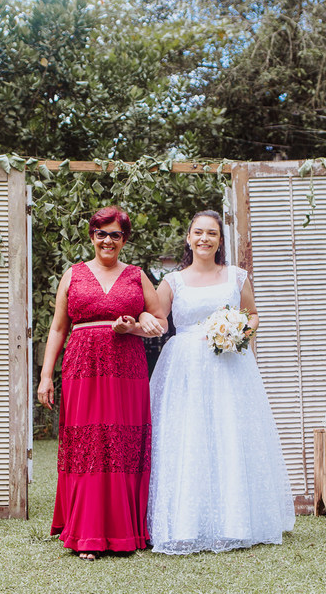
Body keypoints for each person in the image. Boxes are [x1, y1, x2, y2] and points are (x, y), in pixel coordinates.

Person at [147, 210, 295, 554]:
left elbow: (252, 314)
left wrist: (238, 332)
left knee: (229, 434)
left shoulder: (236, 277)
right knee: (189, 437)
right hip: (185, 367)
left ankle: (234, 522)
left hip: (229, 365)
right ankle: (186, 523)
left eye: (211, 233)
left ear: (220, 240)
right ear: (188, 238)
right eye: (198, 232)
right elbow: (156, 318)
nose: (204, 238)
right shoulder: (172, 281)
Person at [37, 207, 167, 561]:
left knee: (122, 443)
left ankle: (125, 532)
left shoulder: (137, 276)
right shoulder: (73, 274)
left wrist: (133, 326)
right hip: (83, 368)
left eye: (115, 234)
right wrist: (46, 375)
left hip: (126, 369)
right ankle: (86, 533)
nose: (107, 240)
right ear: (92, 236)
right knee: (89, 444)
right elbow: (58, 328)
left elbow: (159, 322)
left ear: (124, 239)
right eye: (101, 234)